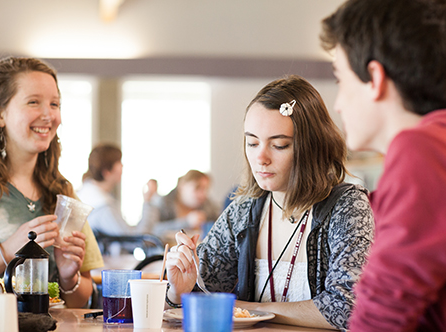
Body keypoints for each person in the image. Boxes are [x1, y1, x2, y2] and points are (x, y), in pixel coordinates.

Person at [165, 75, 374, 330]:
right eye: (252, 142)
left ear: (311, 147)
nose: (260, 157)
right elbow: (204, 296)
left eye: (279, 145)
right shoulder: (243, 210)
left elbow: (346, 309)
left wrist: (250, 309)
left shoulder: (347, 207)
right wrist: (179, 291)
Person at [320, 1, 446, 331]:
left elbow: (384, 310)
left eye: (340, 80)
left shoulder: (419, 149)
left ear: (374, 78)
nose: (338, 104)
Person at [0, 57, 104, 308]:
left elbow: (80, 302)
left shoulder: (63, 194)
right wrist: (8, 249)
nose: (49, 115)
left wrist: (69, 277)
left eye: (55, 103)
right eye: (33, 102)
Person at [77, 143, 148, 236]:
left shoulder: (84, 193)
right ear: (106, 172)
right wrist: (148, 203)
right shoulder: (103, 207)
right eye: (118, 162)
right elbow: (135, 239)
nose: (122, 166)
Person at [141, 170, 220, 240]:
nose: (203, 194)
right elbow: (152, 230)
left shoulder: (208, 206)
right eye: (197, 188)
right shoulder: (163, 203)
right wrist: (186, 222)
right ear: (182, 186)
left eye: (206, 189)